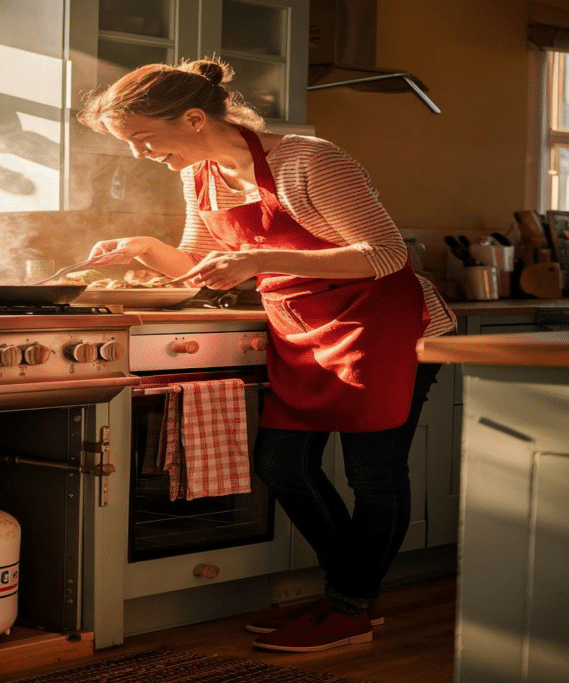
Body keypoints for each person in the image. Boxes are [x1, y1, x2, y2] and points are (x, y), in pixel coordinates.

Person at [77, 59, 457, 653]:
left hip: (381, 327)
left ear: (194, 118)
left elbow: (384, 255)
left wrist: (259, 261)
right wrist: (146, 249)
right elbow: (200, 267)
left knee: (373, 477)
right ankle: (349, 597)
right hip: (302, 330)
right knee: (282, 464)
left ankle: (349, 606)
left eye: (144, 139)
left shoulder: (311, 161)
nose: (140, 155)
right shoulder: (197, 174)